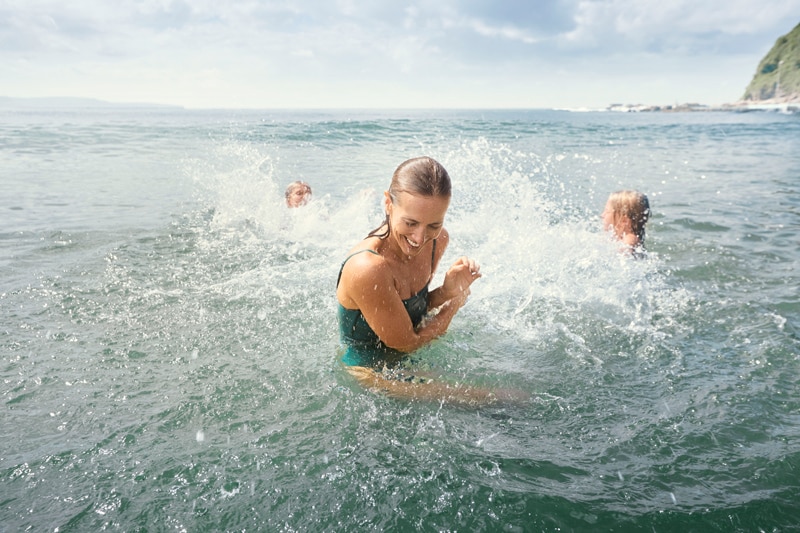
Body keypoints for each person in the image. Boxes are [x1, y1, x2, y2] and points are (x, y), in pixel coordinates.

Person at [336, 157, 523, 406]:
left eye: (434, 224)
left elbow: (409, 314)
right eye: (410, 223)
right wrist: (454, 304)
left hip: (405, 359)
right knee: (496, 400)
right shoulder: (368, 268)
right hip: (370, 373)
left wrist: (446, 292)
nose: (420, 237)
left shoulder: (436, 241)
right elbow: (407, 344)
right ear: (388, 203)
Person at [601, 190, 650, 254]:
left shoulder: (630, 240)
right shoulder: (623, 238)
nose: (602, 215)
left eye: (607, 211)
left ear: (624, 220)